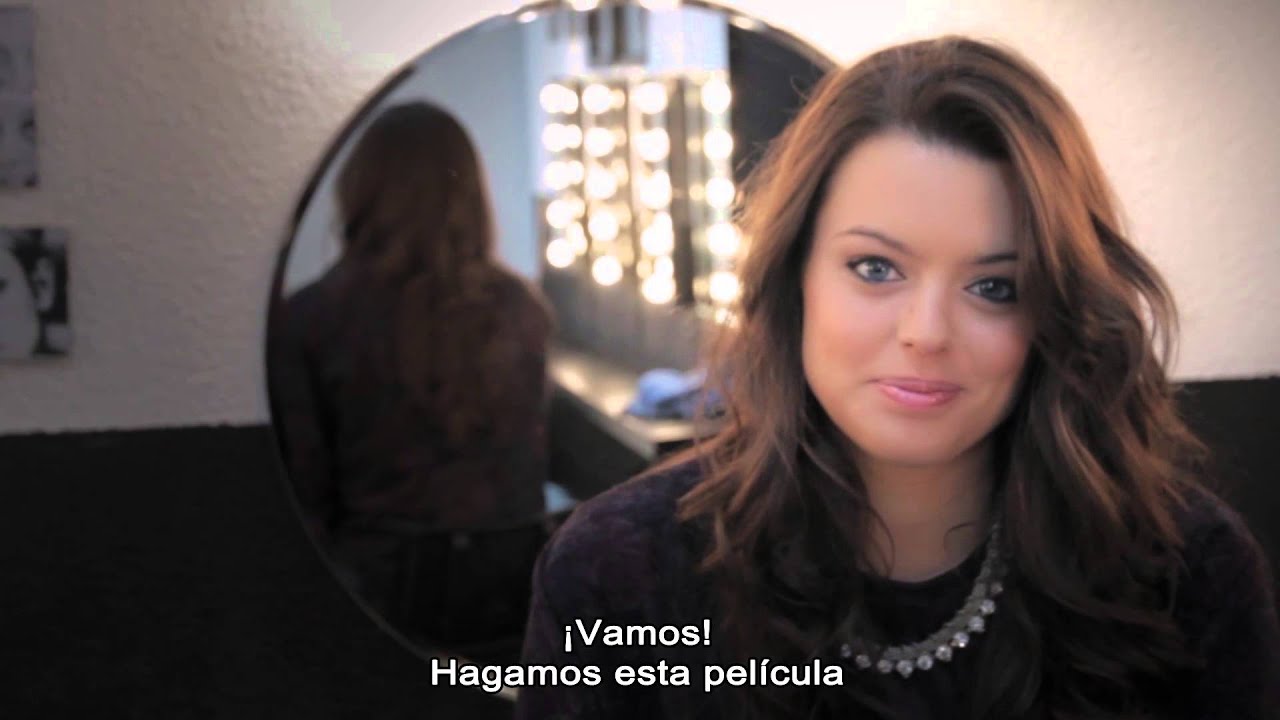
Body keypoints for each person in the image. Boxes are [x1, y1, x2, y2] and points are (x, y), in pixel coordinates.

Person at [516, 36, 1280, 719]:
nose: (926, 332)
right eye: (875, 268)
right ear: (796, 277)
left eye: (995, 287)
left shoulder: (1189, 576)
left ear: (1056, 312)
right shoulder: (621, 572)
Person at [268, 102, 555, 646]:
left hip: (378, 587)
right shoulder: (520, 307)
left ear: (360, 190)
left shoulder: (312, 318)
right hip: (512, 581)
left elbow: (306, 492)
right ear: (469, 193)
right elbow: (533, 456)